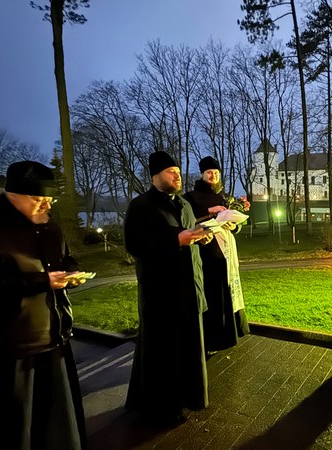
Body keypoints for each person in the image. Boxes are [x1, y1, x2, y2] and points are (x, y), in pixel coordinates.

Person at [0, 160, 87, 449]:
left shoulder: (50, 228)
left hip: (53, 338)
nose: (45, 207)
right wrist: (41, 281)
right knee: (10, 430)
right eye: (37, 200)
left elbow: (64, 260)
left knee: (56, 429)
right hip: (5, 351)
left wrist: (72, 273)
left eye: (49, 200)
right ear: (12, 196)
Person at [124, 151, 213, 425]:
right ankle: (160, 408)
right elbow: (135, 247)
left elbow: (188, 233)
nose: (176, 175)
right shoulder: (141, 206)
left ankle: (189, 397)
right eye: (169, 171)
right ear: (154, 176)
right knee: (162, 353)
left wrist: (201, 237)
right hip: (161, 294)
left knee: (188, 350)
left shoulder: (184, 204)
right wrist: (177, 241)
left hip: (189, 289)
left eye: (177, 170)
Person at [184, 156, 249, 354]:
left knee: (225, 295)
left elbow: (228, 223)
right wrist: (210, 213)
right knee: (212, 297)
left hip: (225, 252)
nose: (213, 176)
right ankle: (211, 340)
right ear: (202, 174)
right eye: (210, 172)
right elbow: (189, 222)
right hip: (206, 253)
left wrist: (233, 225)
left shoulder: (221, 197)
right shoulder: (191, 197)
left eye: (217, 173)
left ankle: (226, 336)